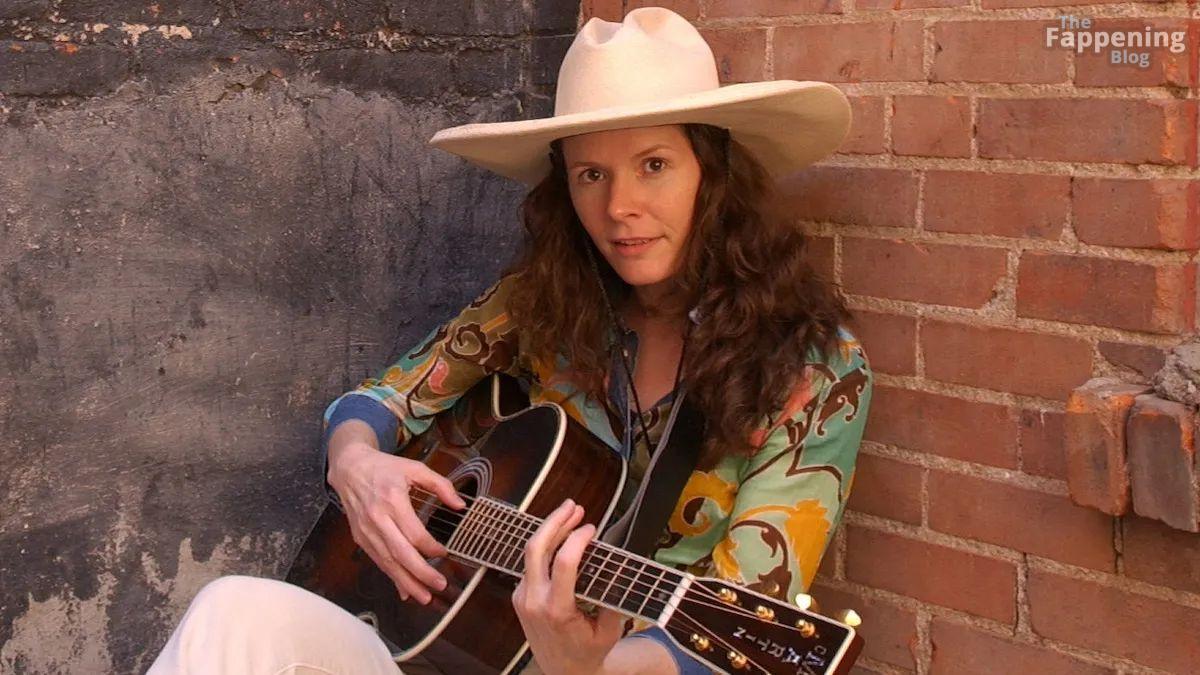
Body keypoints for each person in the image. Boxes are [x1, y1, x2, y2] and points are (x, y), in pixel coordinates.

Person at [146, 7, 873, 675]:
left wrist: (582, 666)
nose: (619, 207)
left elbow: (741, 627)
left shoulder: (814, 372)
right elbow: (381, 399)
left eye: (654, 165)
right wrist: (357, 466)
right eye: (591, 174)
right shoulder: (541, 304)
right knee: (233, 611)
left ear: (712, 175)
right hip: (448, 647)